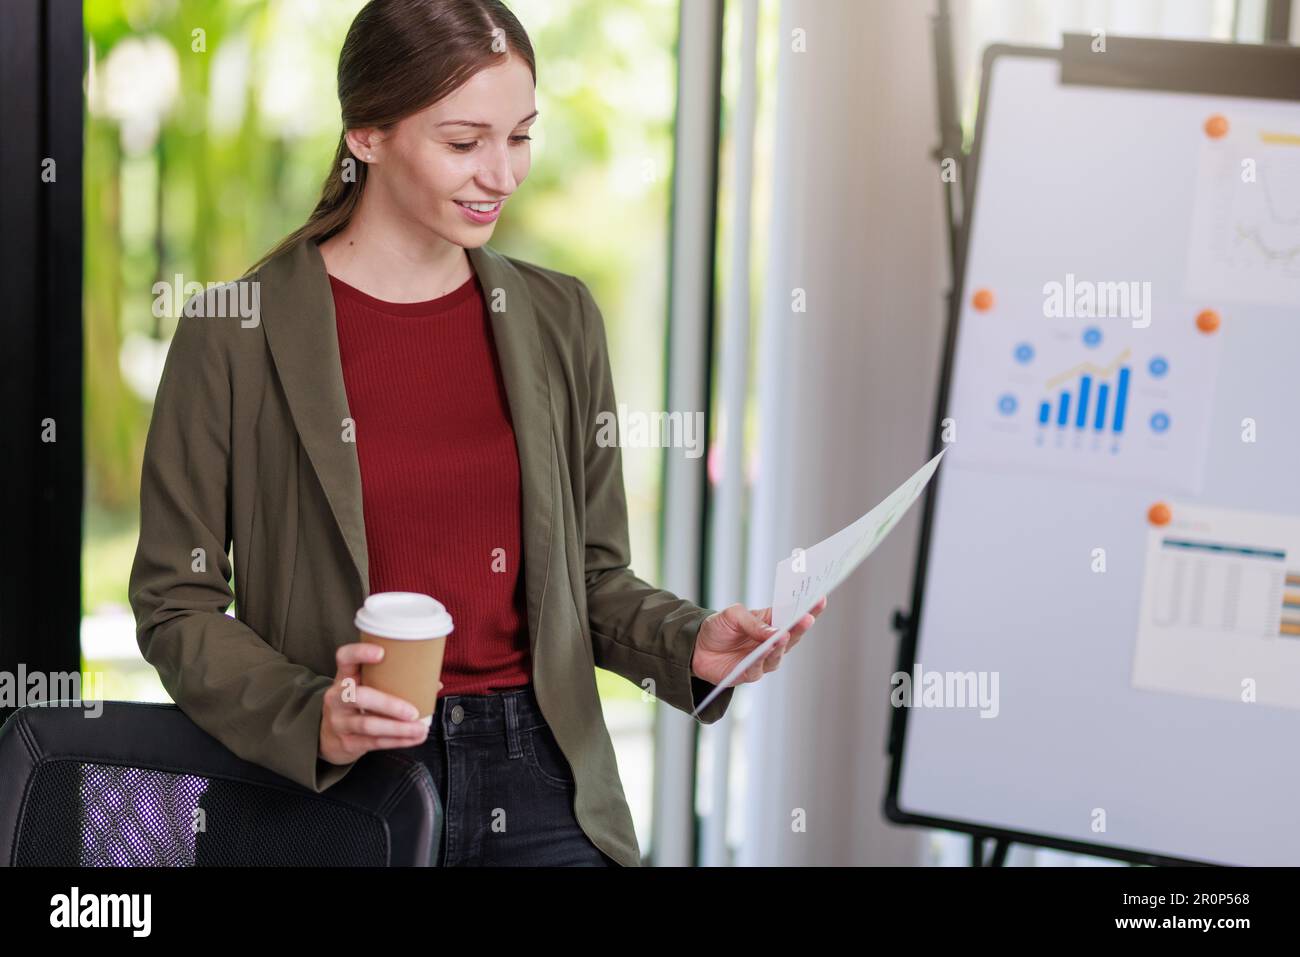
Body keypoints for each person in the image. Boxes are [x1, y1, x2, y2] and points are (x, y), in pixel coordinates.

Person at [130, 0, 826, 868]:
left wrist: (690, 642)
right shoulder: (234, 331)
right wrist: (315, 715)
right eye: (464, 143)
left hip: (543, 781)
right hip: (330, 793)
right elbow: (175, 602)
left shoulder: (559, 317)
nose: (501, 173)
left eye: (521, 136)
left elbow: (590, 577)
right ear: (366, 136)